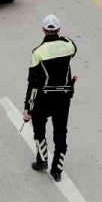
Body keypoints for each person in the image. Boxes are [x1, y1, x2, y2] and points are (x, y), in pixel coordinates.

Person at [22, 14, 77, 182]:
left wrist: (28, 108)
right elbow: (72, 50)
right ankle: (57, 170)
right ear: (58, 29)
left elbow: (33, 83)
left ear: (43, 30)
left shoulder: (38, 52)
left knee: (39, 130)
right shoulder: (69, 46)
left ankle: (42, 161)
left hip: (43, 99)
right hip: (63, 98)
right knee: (60, 133)